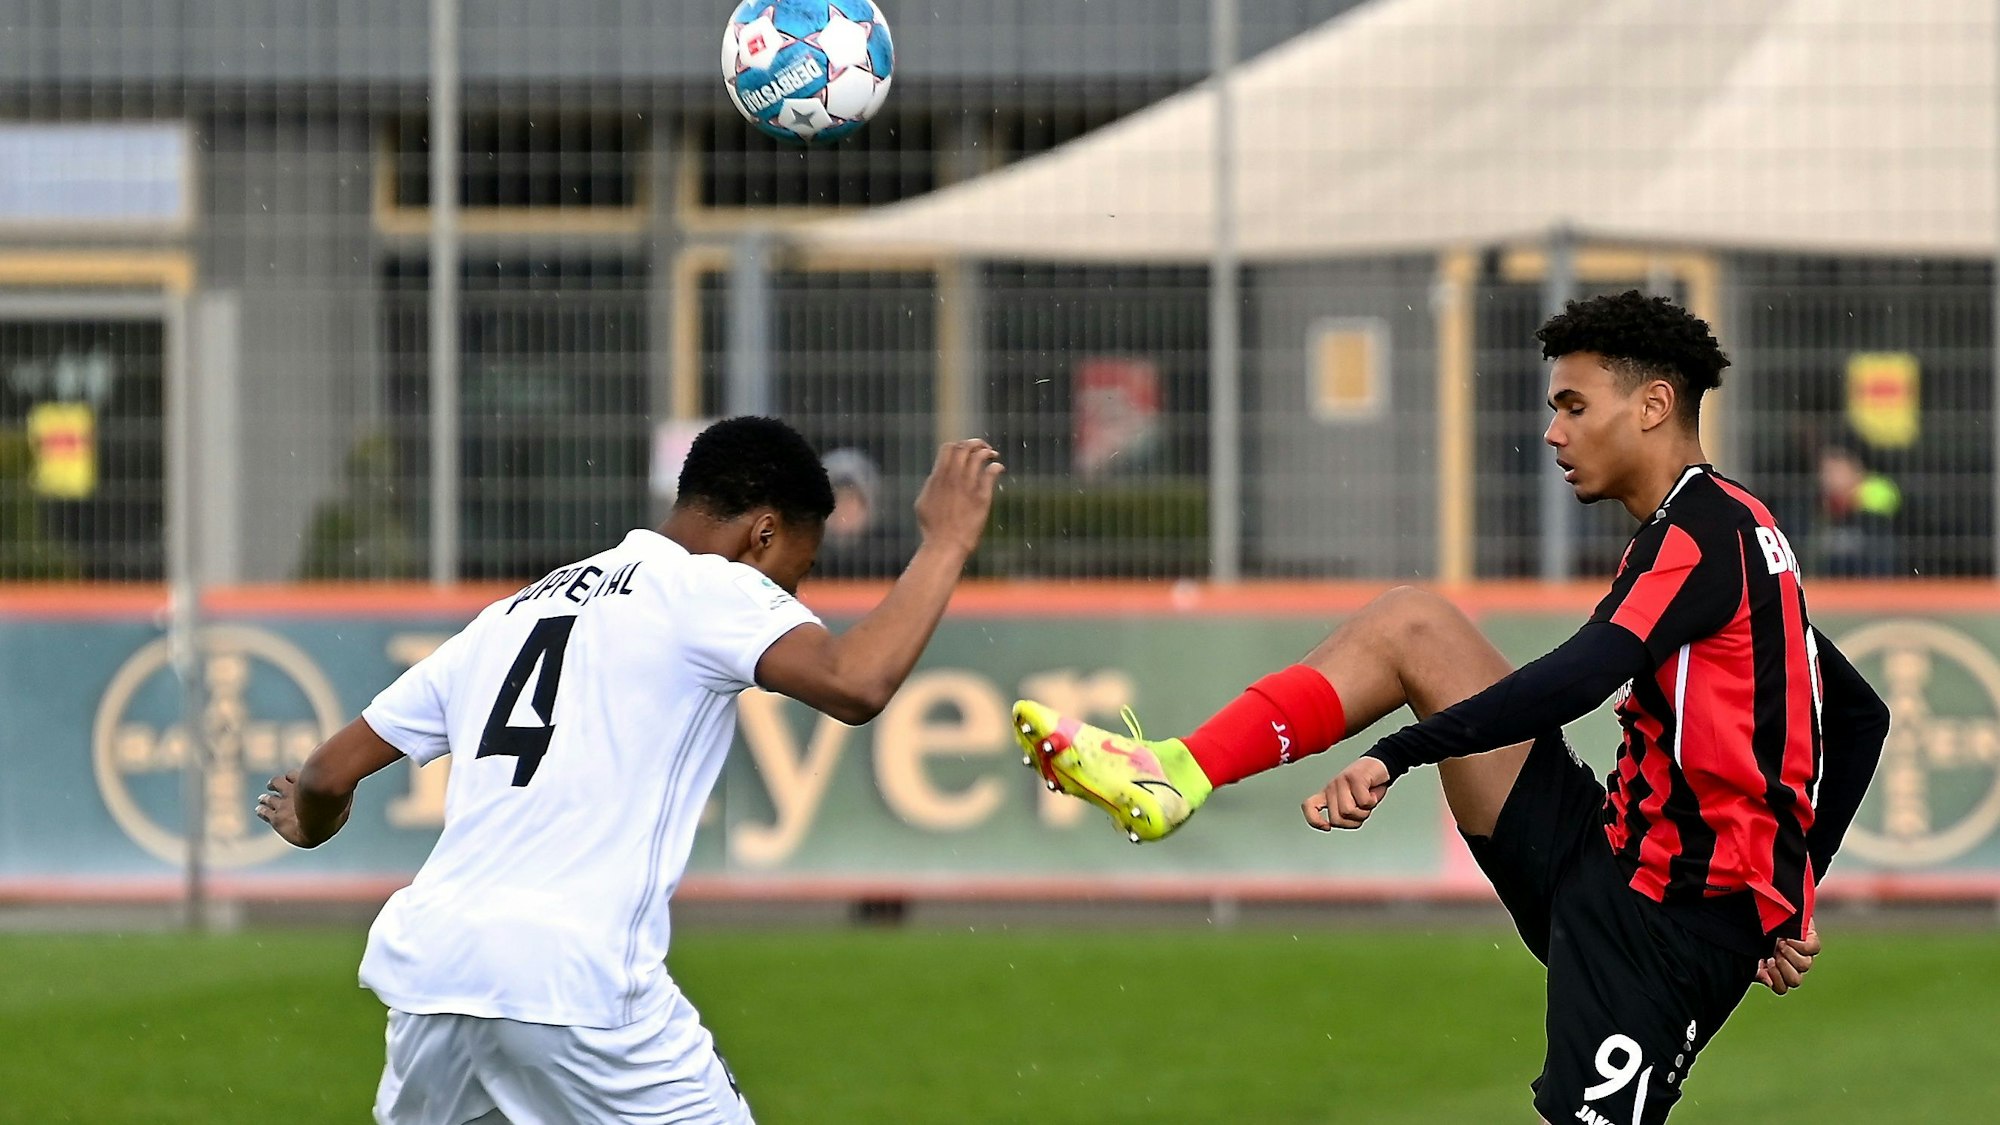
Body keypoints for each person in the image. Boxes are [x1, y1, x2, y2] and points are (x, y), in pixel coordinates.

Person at [1014, 292, 1890, 1125]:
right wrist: (1794, 893)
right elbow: (1859, 718)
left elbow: (1578, 679)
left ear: (1655, 404)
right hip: (1604, 848)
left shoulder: (1700, 538)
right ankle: (1179, 770)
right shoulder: (1731, 528)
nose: (1554, 432)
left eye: (1575, 406)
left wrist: (1399, 751)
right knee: (1414, 625)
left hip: (1665, 929)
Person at [256, 417, 1004, 1125]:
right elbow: (856, 682)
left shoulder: (512, 613)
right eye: (795, 574)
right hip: (573, 979)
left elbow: (325, 776)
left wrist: (314, 821)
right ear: (762, 531)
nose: (791, 600)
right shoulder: (708, 585)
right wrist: (945, 543)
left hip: (433, 979)